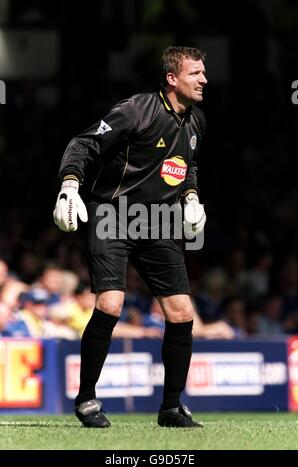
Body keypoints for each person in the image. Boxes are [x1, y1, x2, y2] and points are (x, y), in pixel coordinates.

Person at [53, 46, 233, 429]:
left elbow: (187, 166)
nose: (204, 80)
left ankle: (171, 408)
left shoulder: (197, 121)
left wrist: (191, 197)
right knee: (111, 305)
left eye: (204, 73)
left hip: (159, 222)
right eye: (195, 73)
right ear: (172, 78)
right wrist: (69, 186)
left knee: (182, 313)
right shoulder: (137, 109)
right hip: (112, 214)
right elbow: (84, 143)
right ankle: (86, 400)